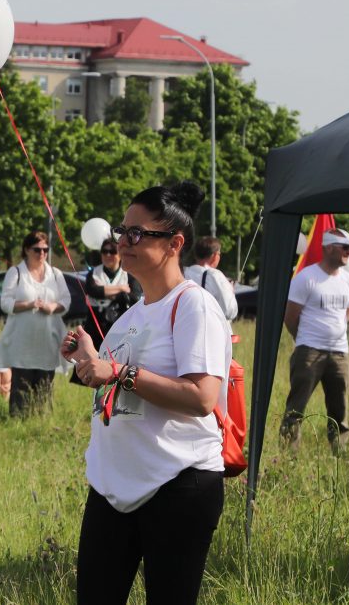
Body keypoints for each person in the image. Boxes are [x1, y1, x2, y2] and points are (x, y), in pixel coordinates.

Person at [62, 181, 231, 604]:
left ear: (175, 243)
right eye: (122, 231)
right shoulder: (132, 315)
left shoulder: (193, 305)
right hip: (112, 488)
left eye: (136, 234)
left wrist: (118, 370)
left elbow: (201, 397)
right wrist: (87, 358)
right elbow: (114, 388)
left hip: (177, 486)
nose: (122, 242)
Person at [279, 228, 349, 453]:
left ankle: (339, 452)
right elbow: (290, 317)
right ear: (329, 248)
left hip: (340, 352)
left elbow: (348, 310)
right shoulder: (306, 278)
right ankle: (287, 456)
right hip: (309, 351)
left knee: (340, 408)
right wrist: (304, 339)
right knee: (296, 407)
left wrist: (337, 331)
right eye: (345, 247)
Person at [0, 231, 71, 417]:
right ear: (27, 250)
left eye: (45, 249)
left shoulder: (56, 274)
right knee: (21, 383)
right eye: (37, 249)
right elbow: (5, 303)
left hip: (47, 341)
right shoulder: (16, 272)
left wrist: (53, 307)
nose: (42, 253)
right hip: (22, 343)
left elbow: (66, 302)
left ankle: (42, 419)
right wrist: (28, 305)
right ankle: (18, 420)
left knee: (45, 383)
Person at [82, 238, 142, 347]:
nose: (108, 255)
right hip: (94, 328)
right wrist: (121, 288)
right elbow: (93, 291)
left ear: (119, 254)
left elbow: (135, 297)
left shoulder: (130, 274)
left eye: (112, 252)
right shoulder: (93, 273)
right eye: (104, 251)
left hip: (120, 329)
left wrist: (111, 294)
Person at [184, 236, 238, 321]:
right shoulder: (215, 275)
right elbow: (230, 311)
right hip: (211, 330)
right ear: (215, 255)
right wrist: (231, 290)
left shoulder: (183, 273)